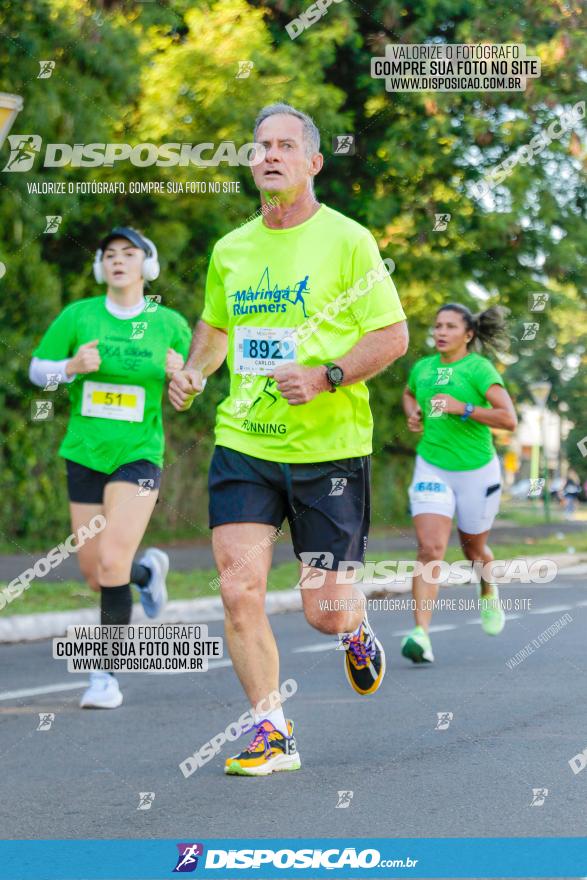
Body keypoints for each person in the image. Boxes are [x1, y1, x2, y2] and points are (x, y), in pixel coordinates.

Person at [169, 102, 408, 776]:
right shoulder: (231, 249)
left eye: (283, 145)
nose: (268, 155)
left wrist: (328, 375)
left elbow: (391, 337)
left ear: (312, 162)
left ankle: (355, 628)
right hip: (245, 440)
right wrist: (191, 371)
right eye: (259, 146)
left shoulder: (349, 240)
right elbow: (216, 333)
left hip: (327, 448)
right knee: (237, 588)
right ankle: (271, 730)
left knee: (323, 612)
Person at [29, 226, 191, 708]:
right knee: (95, 571)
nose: (119, 260)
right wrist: (71, 368)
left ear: (147, 264)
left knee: (111, 560)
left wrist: (181, 373)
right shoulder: (79, 316)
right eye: (110, 254)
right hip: (84, 452)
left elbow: (189, 386)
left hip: (139, 453)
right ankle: (147, 574)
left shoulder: (170, 324)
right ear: (101, 267)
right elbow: (38, 369)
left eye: (129, 253)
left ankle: (105, 677)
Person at [401, 303, 517, 664]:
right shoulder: (423, 369)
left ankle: (487, 589)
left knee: (473, 551)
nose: (440, 332)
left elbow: (508, 419)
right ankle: (421, 634)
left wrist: (462, 408)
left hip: (476, 472)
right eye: (437, 326)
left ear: (468, 335)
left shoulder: (479, 369)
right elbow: (409, 393)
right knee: (430, 549)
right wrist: (414, 414)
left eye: (450, 326)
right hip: (432, 467)